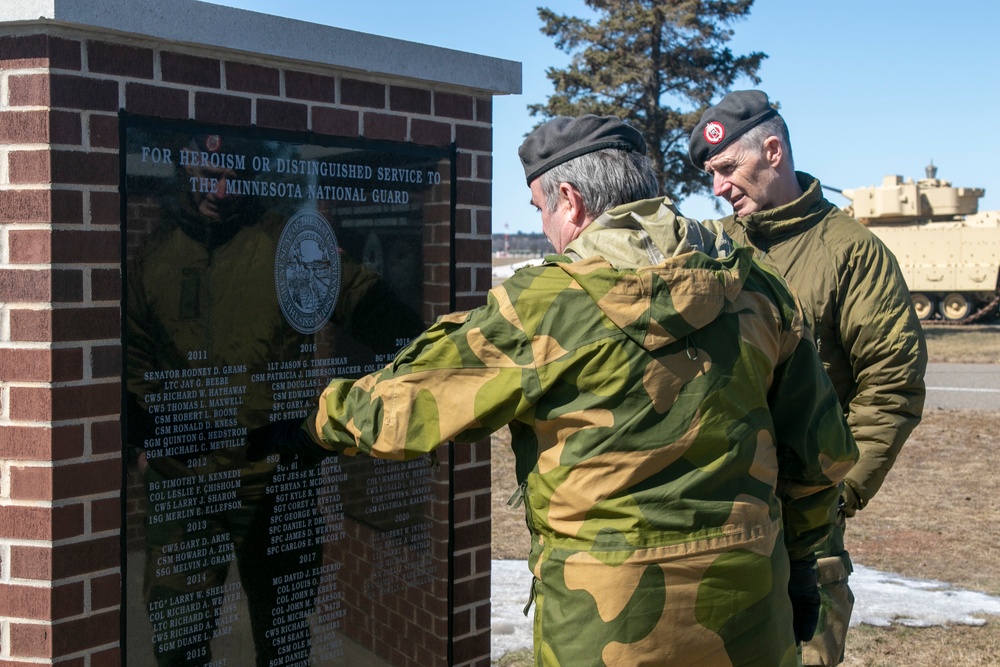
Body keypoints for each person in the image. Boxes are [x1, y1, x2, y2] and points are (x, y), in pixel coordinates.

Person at [249, 115, 858, 666]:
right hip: (749, 604)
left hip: (605, 621)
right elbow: (817, 454)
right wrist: (807, 566)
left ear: (569, 199)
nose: (543, 230)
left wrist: (311, 426)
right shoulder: (754, 282)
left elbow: (404, 409)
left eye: (540, 209)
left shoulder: (542, 306)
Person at [689, 90, 928, 667]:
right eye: (709, 176)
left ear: (772, 151)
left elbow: (892, 382)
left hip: (803, 527)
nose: (717, 187)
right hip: (713, 517)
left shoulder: (851, 252)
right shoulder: (708, 249)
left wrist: (839, 489)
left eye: (726, 169)